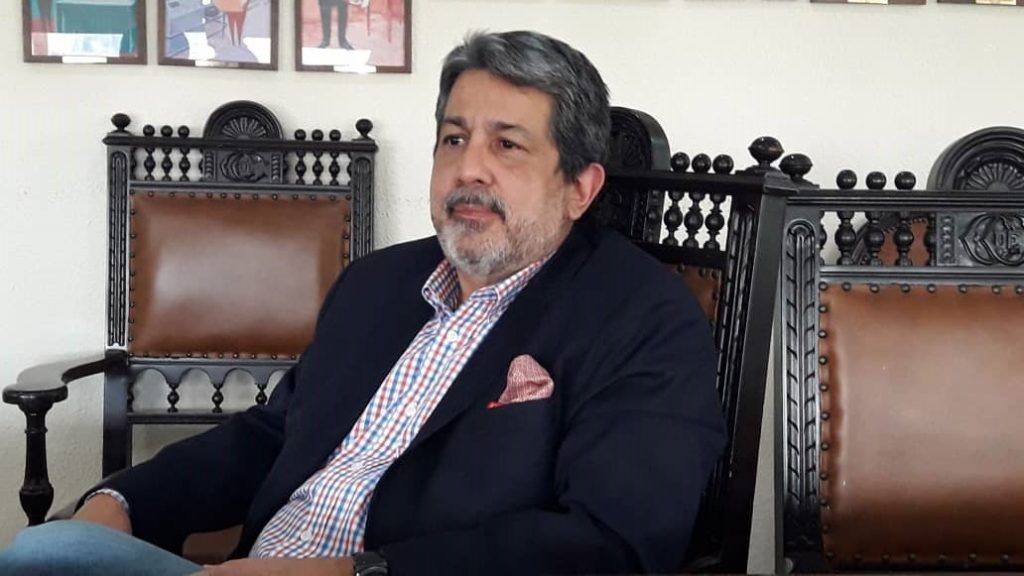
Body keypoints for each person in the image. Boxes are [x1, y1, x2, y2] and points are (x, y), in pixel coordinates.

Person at [0, 30, 725, 576]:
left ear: (580, 188)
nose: (469, 168)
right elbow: (270, 437)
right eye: (454, 138)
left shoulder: (643, 319)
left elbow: (614, 541)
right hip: (250, 563)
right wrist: (122, 503)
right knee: (46, 553)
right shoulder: (379, 284)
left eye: (508, 146)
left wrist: (357, 572)